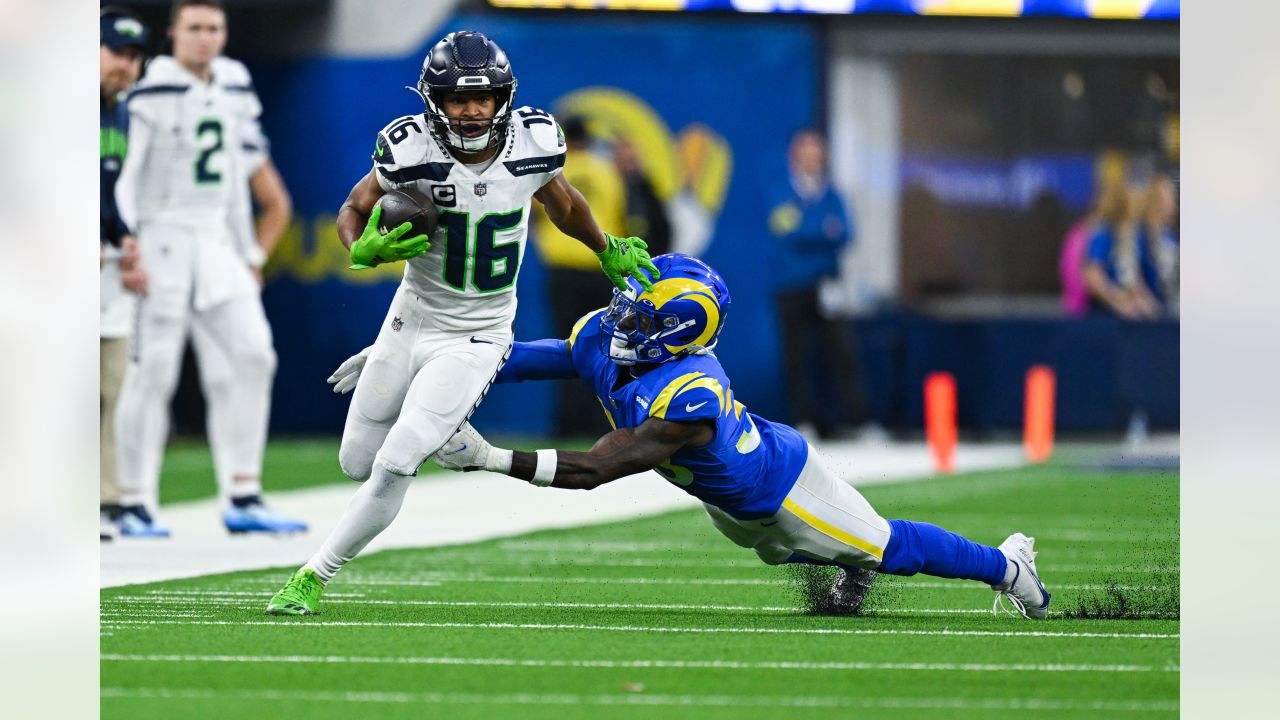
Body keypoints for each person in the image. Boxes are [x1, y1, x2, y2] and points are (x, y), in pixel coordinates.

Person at [311, 254, 1051, 620]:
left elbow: (601, 468)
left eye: (639, 309)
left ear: (674, 331)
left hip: (780, 490)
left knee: (885, 545)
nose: (619, 313)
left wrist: (490, 458)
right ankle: (850, 565)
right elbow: (526, 358)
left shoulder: (688, 395)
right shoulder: (606, 336)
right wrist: (414, 361)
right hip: (727, 504)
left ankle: (1006, 566)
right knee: (778, 552)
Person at [265, 31, 659, 614]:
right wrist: (360, 246)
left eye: (484, 98)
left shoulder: (534, 142)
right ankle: (443, 426)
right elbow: (355, 206)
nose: (473, 110)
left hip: (479, 331)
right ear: (434, 101)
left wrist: (605, 248)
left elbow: (565, 202)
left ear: (504, 96)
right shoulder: (408, 148)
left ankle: (312, 576)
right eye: (457, 99)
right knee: (356, 463)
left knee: (399, 460)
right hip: (411, 317)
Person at [113, 0, 306, 536]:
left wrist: (250, 254)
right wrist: (126, 242)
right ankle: (134, 500)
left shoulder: (234, 81)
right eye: (194, 28)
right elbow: (127, 173)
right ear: (173, 34)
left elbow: (242, 179)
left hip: (217, 241)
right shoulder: (152, 87)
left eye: (213, 28)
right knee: (152, 371)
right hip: (161, 235)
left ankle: (243, 493)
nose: (204, 38)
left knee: (253, 355)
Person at [768, 129, 870, 439]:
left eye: (817, 149)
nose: (813, 155)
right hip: (790, 286)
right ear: (794, 155)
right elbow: (787, 232)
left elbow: (846, 234)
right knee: (796, 356)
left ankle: (858, 422)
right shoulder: (780, 191)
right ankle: (803, 422)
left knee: (842, 352)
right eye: (806, 149)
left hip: (828, 285)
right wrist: (823, 231)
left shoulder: (832, 194)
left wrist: (808, 228)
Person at [532, 115, 629, 437]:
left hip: (563, 270)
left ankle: (566, 424)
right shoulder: (607, 170)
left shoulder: (555, 171)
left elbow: (534, 214)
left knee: (564, 347)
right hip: (600, 269)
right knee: (603, 348)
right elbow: (620, 215)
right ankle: (601, 422)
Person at [100, 6, 151, 541]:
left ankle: (106, 499)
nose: (125, 65)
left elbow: (106, 189)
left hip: (103, 273)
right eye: (116, 51)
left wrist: (122, 237)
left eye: (134, 56)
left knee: (110, 388)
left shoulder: (116, 111)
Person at [1082, 180, 1160, 319]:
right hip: (1106, 317)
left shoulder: (1130, 235)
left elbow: (1133, 276)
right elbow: (1094, 276)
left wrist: (1146, 301)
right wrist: (1118, 301)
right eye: (1131, 197)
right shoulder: (1103, 234)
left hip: (1129, 313)